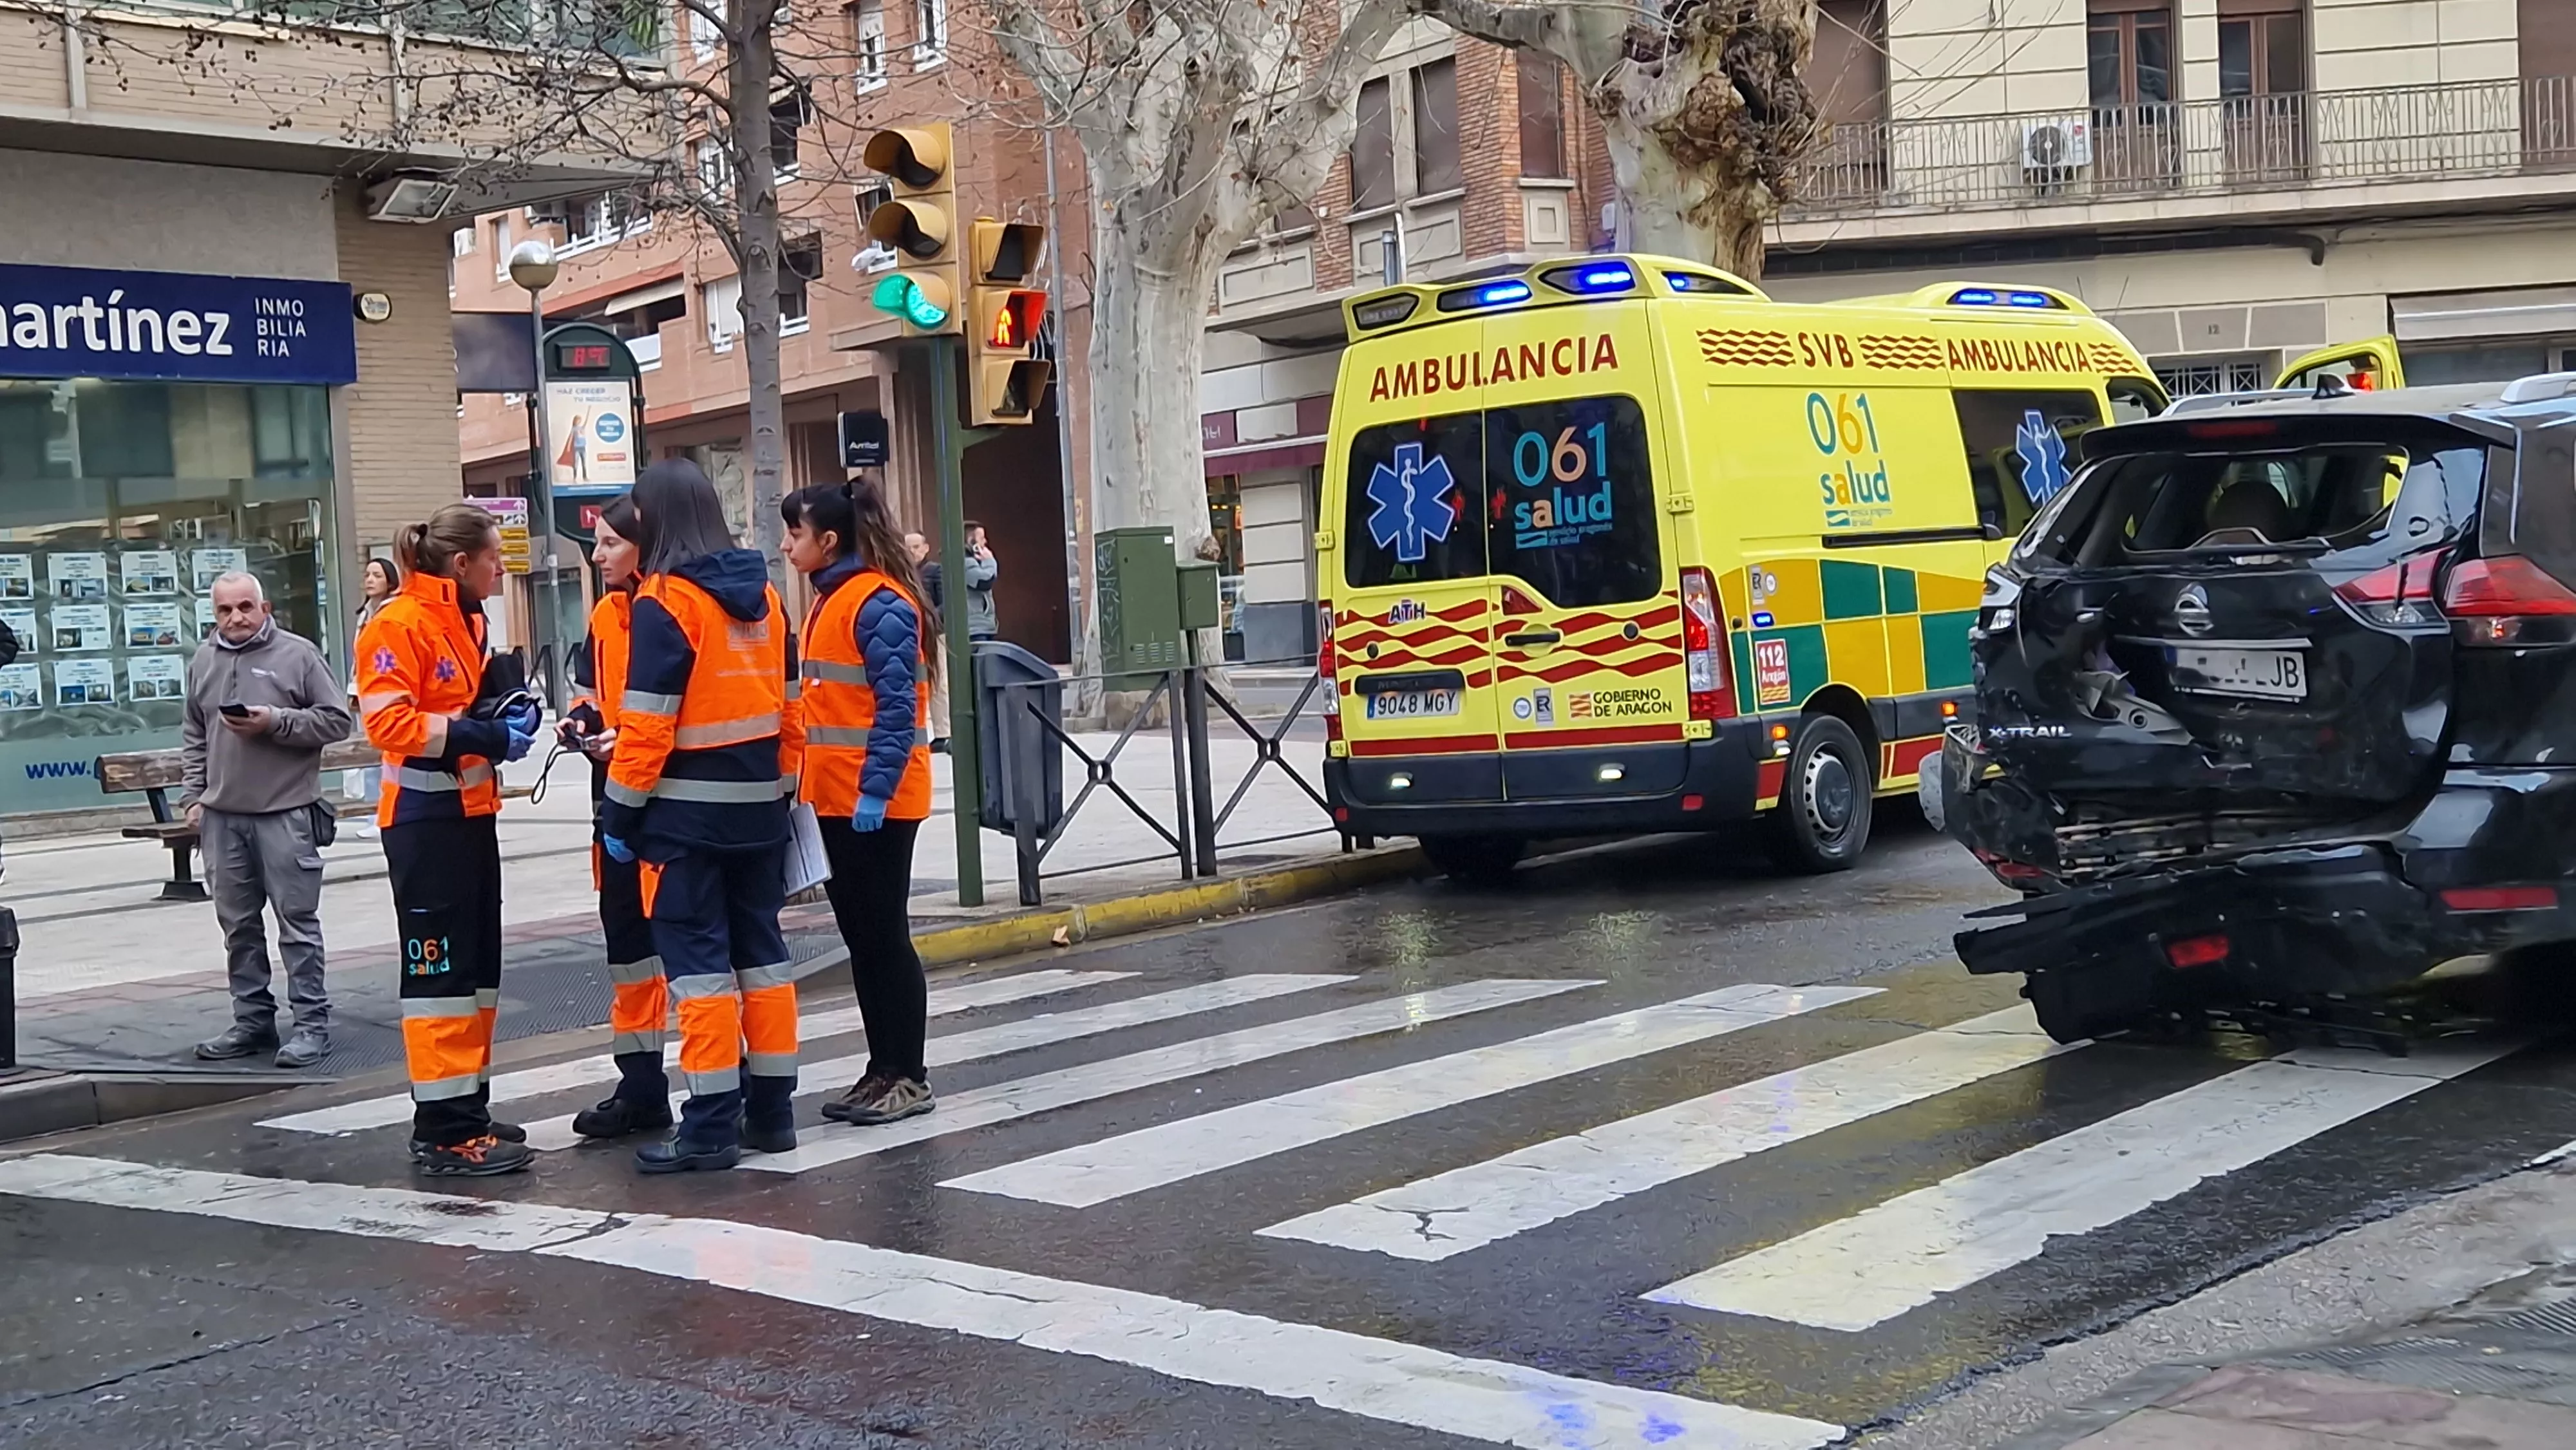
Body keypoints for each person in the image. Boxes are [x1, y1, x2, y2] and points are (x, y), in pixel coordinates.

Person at [601, 459, 803, 1174]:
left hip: (684, 826)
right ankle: (773, 1111)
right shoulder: (767, 596)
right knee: (763, 962)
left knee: (700, 974)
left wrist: (618, 817)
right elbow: (791, 711)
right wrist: (779, 796)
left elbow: (648, 727)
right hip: (758, 819)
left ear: (653, 521)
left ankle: (711, 1124)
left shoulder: (666, 601)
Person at [355, 504, 545, 1176]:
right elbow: (391, 724)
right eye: (494, 557)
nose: (502, 567)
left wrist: (504, 708)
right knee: (438, 977)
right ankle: (444, 1130)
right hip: (423, 820)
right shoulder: (399, 622)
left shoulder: (466, 617)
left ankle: (466, 1106)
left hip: (466, 813)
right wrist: (483, 735)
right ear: (460, 563)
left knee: (474, 975)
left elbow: (458, 703)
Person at [786, 482, 937, 1125]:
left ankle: (908, 1073)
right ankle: (882, 1068)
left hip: (878, 799)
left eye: (795, 533)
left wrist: (876, 788)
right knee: (864, 939)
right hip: (839, 796)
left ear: (829, 540)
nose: (787, 544)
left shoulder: (878, 602)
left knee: (884, 937)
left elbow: (896, 707)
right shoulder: (832, 599)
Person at [182, 573, 354, 1069]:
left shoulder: (297, 655)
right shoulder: (204, 659)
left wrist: (274, 721)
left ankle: (310, 1026)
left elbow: (337, 720)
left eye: (245, 607)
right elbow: (195, 732)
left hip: (285, 812)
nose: (235, 618)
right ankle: (253, 1021)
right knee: (237, 926)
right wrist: (194, 797)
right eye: (224, 611)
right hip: (222, 817)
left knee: (297, 925)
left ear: (265, 607)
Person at [559, 497, 672, 1142]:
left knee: (693, 954)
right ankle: (641, 1087)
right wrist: (584, 719)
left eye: (607, 544)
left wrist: (624, 735)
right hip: (617, 804)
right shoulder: (607, 613)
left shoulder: (673, 607)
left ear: (643, 546)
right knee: (629, 954)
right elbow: (592, 687)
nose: (597, 555)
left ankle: (730, 1088)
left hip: (669, 803)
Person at [904, 530, 951, 751]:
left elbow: (945, 604)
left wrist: (929, 621)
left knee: (938, 682)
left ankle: (944, 733)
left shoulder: (935, 571)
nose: (912, 552)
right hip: (910, 633)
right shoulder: (903, 573)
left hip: (934, 633)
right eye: (908, 547)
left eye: (915, 547)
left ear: (925, 548)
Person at [962, 521, 998, 642]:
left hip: (981, 625)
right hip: (976, 626)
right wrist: (990, 561)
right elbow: (984, 581)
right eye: (982, 538)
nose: (985, 542)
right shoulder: (966, 562)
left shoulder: (974, 561)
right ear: (971, 542)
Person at [355, 556, 401, 627]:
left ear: (390, 583)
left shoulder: (398, 612)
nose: (370, 580)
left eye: (377, 576)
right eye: (367, 575)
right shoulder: (364, 615)